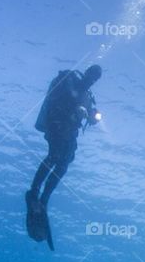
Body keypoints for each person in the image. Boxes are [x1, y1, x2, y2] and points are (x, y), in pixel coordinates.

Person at [25, 64, 103, 249]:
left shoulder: (88, 97)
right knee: (54, 156)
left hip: (70, 131)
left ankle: (45, 198)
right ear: (87, 72)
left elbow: (89, 119)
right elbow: (61, 97)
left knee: (65, 163)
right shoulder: (70, 79)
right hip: (56, 123)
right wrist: (76, 107)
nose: (92, 79)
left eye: (96, 78)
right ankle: (34, 192)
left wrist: (92, 117)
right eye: (92, 75)